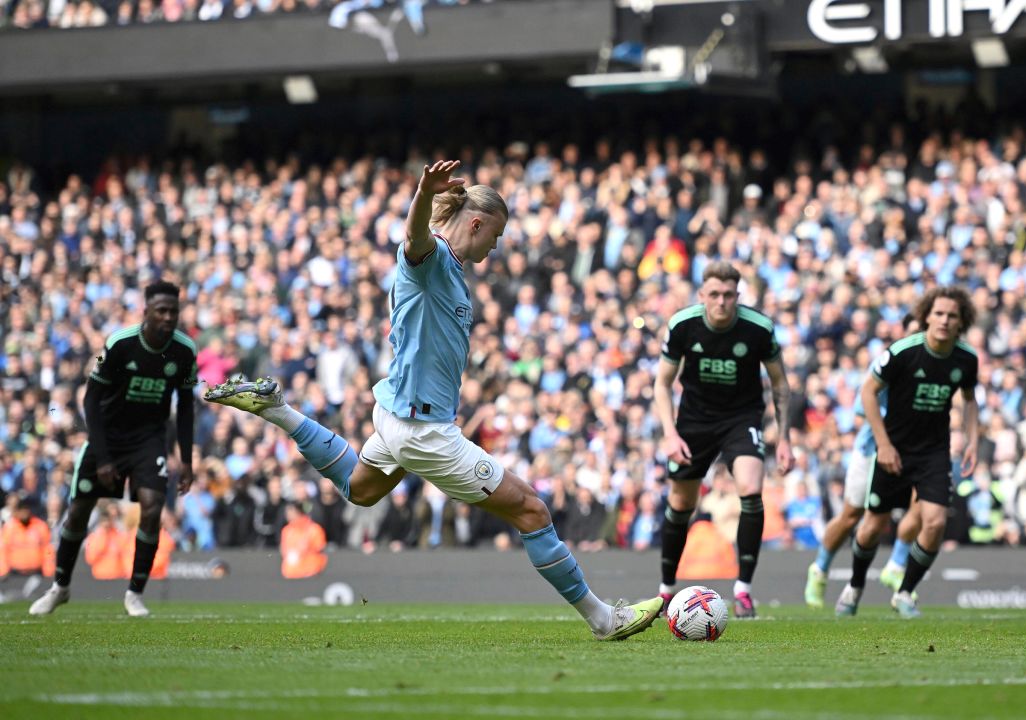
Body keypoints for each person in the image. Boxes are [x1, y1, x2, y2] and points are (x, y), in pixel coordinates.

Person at [204, 160, 660, 640]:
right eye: (496, 236)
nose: (496, 246)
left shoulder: (452, 271)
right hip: (424, 431)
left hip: (399, 417)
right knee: (532, 510)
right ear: (477, 223)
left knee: (361, 490)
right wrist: (423, 192)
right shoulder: (434, 258)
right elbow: (413, 240)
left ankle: (280, 410)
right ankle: (603, 619)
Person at [30, 281, 198, 618]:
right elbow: (90, 398)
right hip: (107, 435)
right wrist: (103, 455)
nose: (168, 318)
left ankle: (135, 594)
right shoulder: (121, 345)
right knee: (79, 510)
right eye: (161, 311)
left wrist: (187, 461)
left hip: (149, 439)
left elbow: (187, 407)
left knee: (151, 509)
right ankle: (60, 587)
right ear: (146, 311)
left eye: (173, 312)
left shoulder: (184, 351)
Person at [653, 260, 794, 618]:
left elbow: (779, 383)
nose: (721, 302)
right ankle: (666, 590)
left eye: (728, 295)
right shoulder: (683, 325)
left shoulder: (758, 328)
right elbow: (662, 383)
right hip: (694, 420)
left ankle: (744, 590)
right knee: (681, 503)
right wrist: (670, 435)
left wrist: (786, 439)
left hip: (741, 417)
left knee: (750, 489)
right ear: (702, 295)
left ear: (738, 296)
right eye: (714, 294)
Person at [837, 287, 980, 619]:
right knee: (873, 526)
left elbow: (970, 400)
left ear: (962, 322)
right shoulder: (902, 352)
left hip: (933, 453)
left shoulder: (966, 359)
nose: (944, 320)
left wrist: (972, 439)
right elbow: (868, 392)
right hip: (894, 450)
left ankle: (904, 593)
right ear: (927, 316)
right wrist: (883, 444)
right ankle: (855, 586)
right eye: (939, 313)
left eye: (952, 316)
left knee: (935, 523)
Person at [803, 389, 922, 611]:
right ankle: (820, 569)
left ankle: (896, 564)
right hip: (871, 452)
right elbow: (862, 406)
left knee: (923, 506)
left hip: (910, 452)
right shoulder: (891, 362)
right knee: (851, 516)